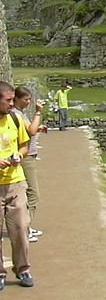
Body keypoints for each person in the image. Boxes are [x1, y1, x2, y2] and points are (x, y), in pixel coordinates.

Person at [0, 81, 34, 288]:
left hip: (15, 181)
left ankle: (23, 269)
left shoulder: (15, 118)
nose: (12, 104)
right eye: (8, 100)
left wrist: (18, 156)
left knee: (21, 228)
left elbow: (24, 146)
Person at [12, 87, 45, 243]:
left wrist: (37, 128)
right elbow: (31, 131)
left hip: (28, 155)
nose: (28, 102)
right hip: (26, 157)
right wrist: (38, 112)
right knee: (33, 194)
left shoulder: (19, 113)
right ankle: (25, 228)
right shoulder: (17, 113)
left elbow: (29, 129)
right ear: (17, 98)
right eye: (26, 99)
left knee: (28, 194)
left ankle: (27, 227)